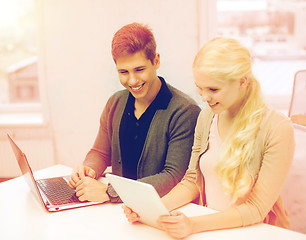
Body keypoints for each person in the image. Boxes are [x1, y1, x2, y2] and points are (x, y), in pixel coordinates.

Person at [123, 37, 295, 239]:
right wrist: (152, 209)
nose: (203, 97)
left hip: (255, 232)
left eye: (213, 89)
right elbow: (192, 181)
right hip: (211, 229)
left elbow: (256, 209)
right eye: (200, 88)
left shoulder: (277, 128)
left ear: (242, 81)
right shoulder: (207, 116)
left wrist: (193, 225)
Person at [69, 23, 201, 203]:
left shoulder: (185, 111)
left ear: (156, 61)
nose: (132, 80)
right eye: (123, 72)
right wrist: (88, 169)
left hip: (161, 211)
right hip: (121, 209)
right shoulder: (115, 102)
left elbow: (173, 177)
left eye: (139, 70)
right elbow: (100, 152)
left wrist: (111, 192)